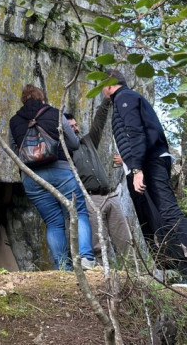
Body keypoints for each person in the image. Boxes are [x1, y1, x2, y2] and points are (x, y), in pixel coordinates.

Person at [102, 68, 187, 288]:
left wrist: (136, 168)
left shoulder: (124, 97)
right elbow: (136, 136)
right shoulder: (124, 100)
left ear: (108, 84)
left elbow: (135, 133)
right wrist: (127, 160)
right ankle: (182, 269)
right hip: (146, 162)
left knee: (168, 213)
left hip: (150, 164)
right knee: (155, 220)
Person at [9, 84, 96, 271]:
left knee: (53, 222)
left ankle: (63, 268)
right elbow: (74, 144)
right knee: (78, 213)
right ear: (42, 99)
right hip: (61, 171)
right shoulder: (55, 114)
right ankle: (86, 260)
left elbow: (13, 150)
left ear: (23, 100)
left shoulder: (14, 121)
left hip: (32, 177)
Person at [64, 103, 132, 262]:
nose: (75, 128)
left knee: (124, 238)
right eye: (70, 127)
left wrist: (106, 102)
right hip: (90, 199)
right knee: (97, 242)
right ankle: (100, 273)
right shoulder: (64, 151)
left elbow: (98, 123)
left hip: (110, 195)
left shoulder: (88, 141)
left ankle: (129, 271)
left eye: (75, 125)